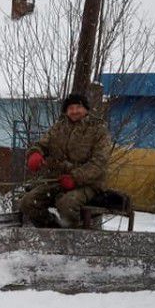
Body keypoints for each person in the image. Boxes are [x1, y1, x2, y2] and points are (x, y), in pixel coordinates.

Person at [18, 93, 111, 229]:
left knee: (67, 205)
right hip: (58, 180)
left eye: (78, 107)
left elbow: (99, 163)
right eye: (70, 108)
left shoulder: (98, 130)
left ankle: (74, 235)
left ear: (85, 109)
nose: (74, 111)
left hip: (87, 184)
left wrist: (75, 177)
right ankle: (51, 230)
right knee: (28, 202)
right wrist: (35, 153)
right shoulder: (59, 127)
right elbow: (42, 144)